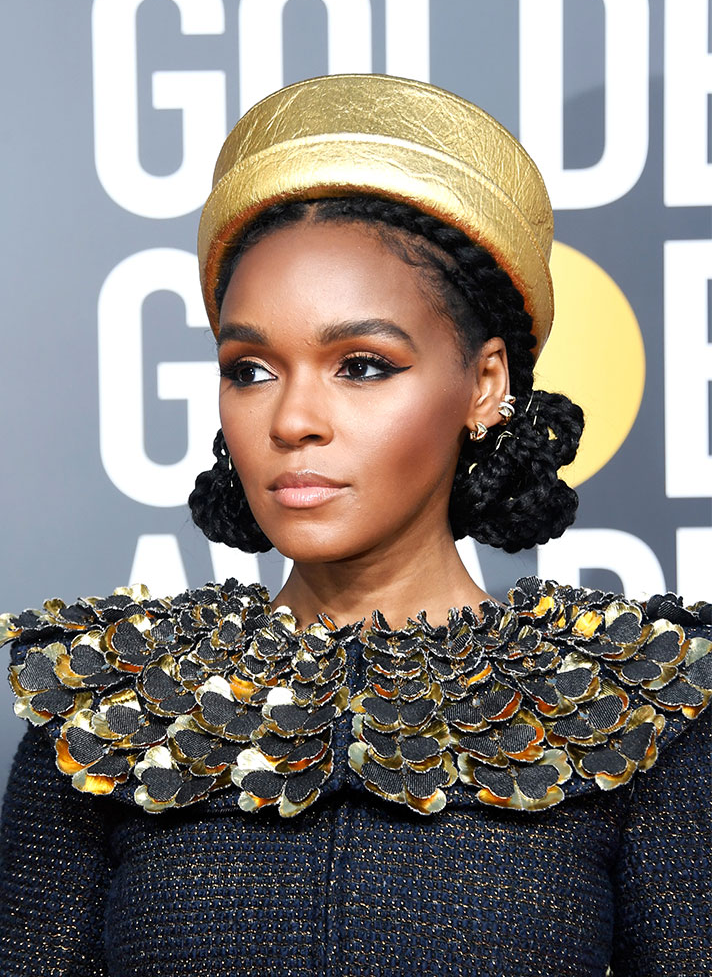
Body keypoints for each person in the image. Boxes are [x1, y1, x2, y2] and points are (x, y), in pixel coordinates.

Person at [0, 74, 710, 977]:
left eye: (363, 365)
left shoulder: (632, 709)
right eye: (250, 368)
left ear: (485, 383)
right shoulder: (111, 707)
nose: (293, 419)